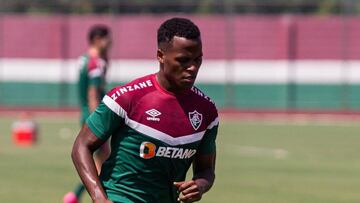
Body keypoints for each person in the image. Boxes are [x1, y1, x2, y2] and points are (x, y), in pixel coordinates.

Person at [71, 17, 219, 203]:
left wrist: (201, 185)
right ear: (160, 55)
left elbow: (206, 169)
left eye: (198, 60)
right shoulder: (126, 98)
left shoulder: (207, 111)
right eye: (183, 60)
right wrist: (98, 196)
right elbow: (81, 145)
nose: (192, 68)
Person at [64, 25, 112, 203]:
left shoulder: (84, 59)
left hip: (86, 114)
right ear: (98, 39)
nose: (111, 42)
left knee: (101, 162)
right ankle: (77, 196)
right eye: (108, 38)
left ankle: (75, 196)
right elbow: (93, 93)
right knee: (104, 164)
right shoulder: (95, 62)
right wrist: (97, 120)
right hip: (94, 116)